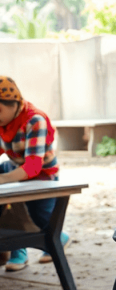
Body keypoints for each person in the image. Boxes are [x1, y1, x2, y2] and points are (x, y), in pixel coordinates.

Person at [0, 76, 70, 272]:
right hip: (14, 168)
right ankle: (17, 250)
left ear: (14, 104)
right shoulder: (2, 124)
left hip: (42, 176)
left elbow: (33, 167)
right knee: (11, 211)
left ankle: (57, 238)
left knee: (42, 219)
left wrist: (3, 180)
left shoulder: (34, 120)